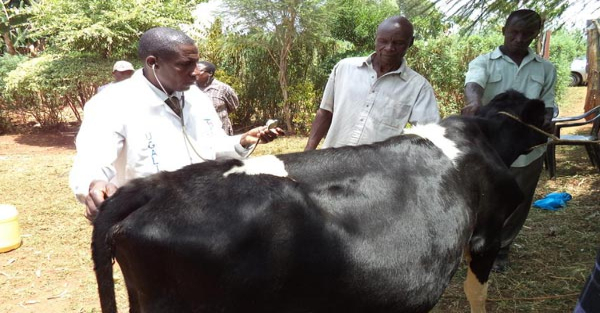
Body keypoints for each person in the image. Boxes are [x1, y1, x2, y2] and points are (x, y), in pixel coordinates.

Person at [69, 27, 283, 221]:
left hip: (206, 211)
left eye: (196, 63)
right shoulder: (113, 102)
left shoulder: (196, 98)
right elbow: (93, 158)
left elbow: (211, 146)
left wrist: (242, 142)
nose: (195, 71)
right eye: (184, 64)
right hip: (149, 221)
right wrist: (95, 184)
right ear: (153, 63)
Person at [462, 9, 557, 272]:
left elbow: (548, 104)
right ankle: (472, 242)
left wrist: (548, 118)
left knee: (517, 199)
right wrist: (474, 102)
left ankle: (502, 248)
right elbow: (474, 84)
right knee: (480, 196)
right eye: (513, 32)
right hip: (488, 149)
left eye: (526, 34)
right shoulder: (485, 62)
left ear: (534, 35)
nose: (518, 38)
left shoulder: (546, 69)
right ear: (504, 30)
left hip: (528, 151)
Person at [304, 15, 440, 150]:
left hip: (375, 171)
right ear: (376, 39)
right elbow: (325, 112)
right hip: (330, 164)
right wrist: (307, 154)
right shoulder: (344, 68)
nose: (389, 48)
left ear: (410, 43)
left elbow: (429, 135)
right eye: (383, 41)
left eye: (398, 43)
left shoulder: (419, 87)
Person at [194, 61, 240, 135]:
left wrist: (219, 113)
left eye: (199, 70)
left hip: (221, 131)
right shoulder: (190, 89)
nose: (195, 73)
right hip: (198, 132)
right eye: (193, 70)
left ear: (210, 73)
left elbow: (234, 106)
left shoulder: (223, 89)